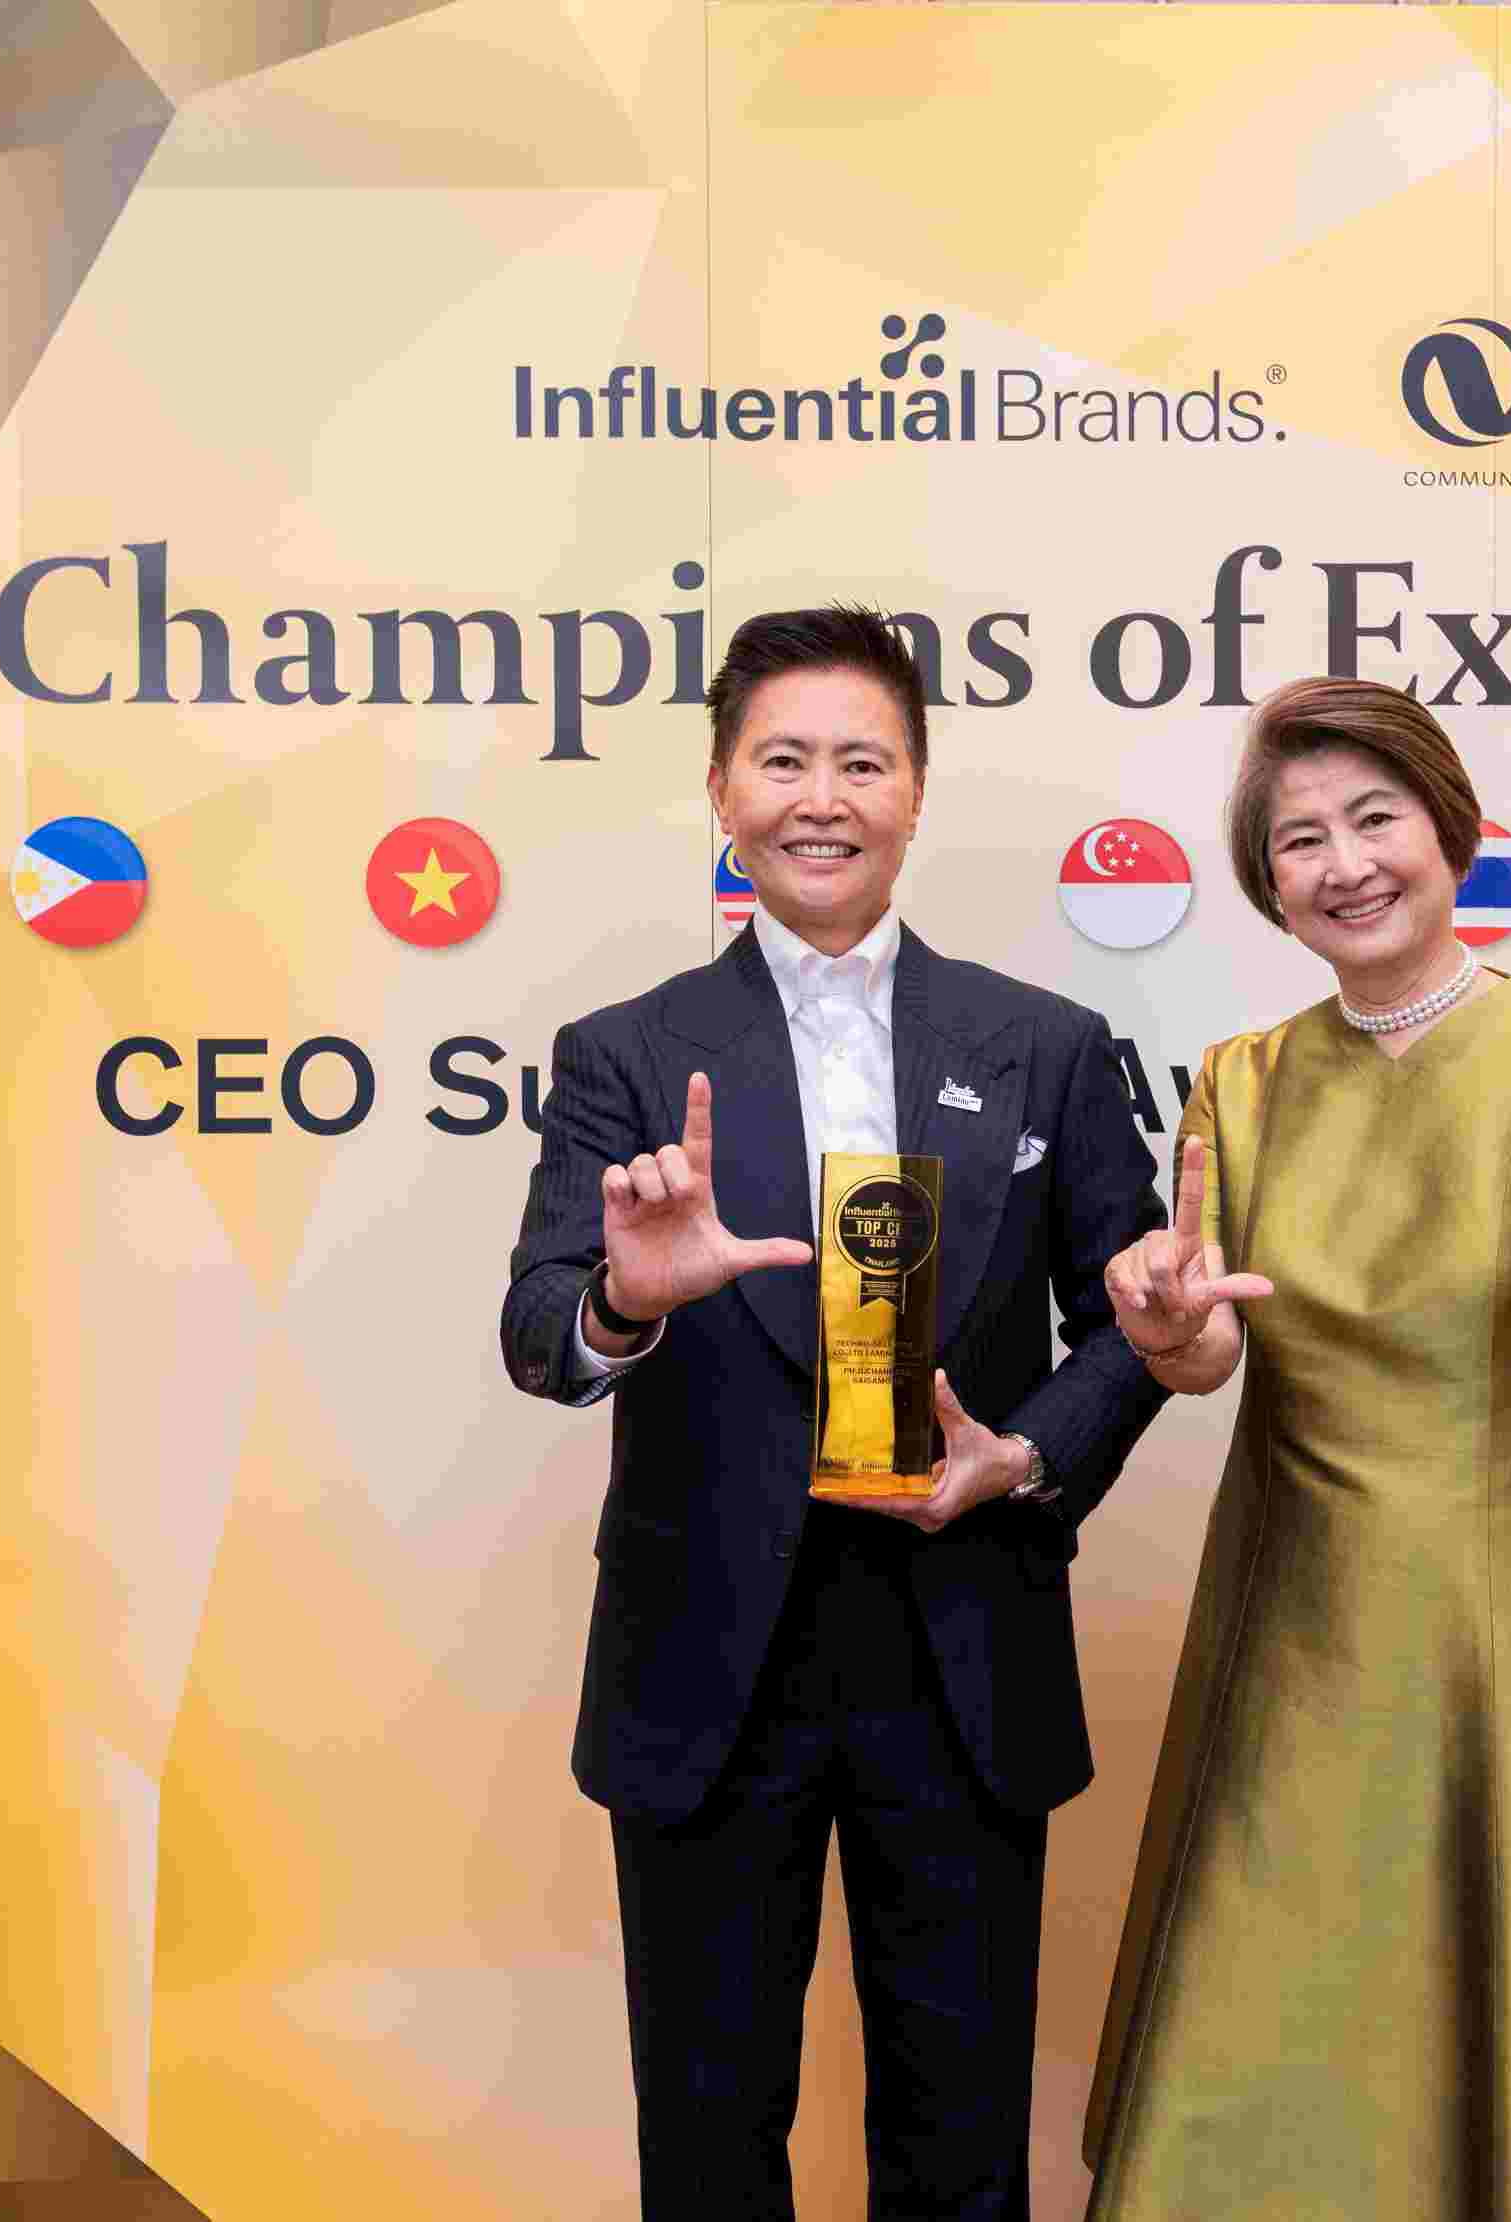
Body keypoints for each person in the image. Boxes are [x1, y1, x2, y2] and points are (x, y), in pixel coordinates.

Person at [1079, 677, 1511, 2219]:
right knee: (1279, 2076)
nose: (1343, 864)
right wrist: (1161, 1323)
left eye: (1373, 818)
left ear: (1449, 828)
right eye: (1298, 840)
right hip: (1297, 1652)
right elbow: (1209, 1354)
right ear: (1266, 881)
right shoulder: (1240, 1083)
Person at [499, 606, 1171, 2220]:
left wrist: (1027, 1453)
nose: (821, 797)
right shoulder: (625, 1053)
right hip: (707, 1666)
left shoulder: (1047, 1046)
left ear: (916, 792)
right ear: (722, 791)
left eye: (861, 762)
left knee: (960, 2150)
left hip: (962, 1648)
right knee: (707, 2147)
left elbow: (1136, 1320)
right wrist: (626, 1298)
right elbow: (538, 1330)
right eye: (782, 759)